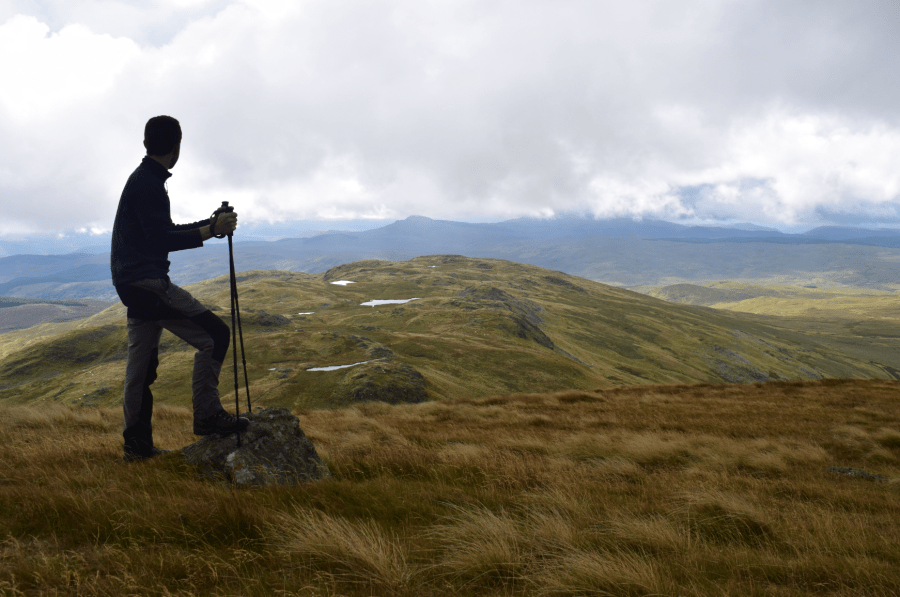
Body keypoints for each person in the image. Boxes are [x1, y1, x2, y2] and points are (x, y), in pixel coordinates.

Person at [111, 115, 248, 462]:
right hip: (149, 284)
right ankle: (207, 414)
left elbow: (162, 230)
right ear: (176, 147)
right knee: (215, 335)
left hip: (131, 287)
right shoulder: (148, 185)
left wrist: (209, 223)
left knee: (140, 369)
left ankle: (137, 447)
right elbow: (160, 238)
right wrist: (212, 230)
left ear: (146, 143)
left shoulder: (142, 181)